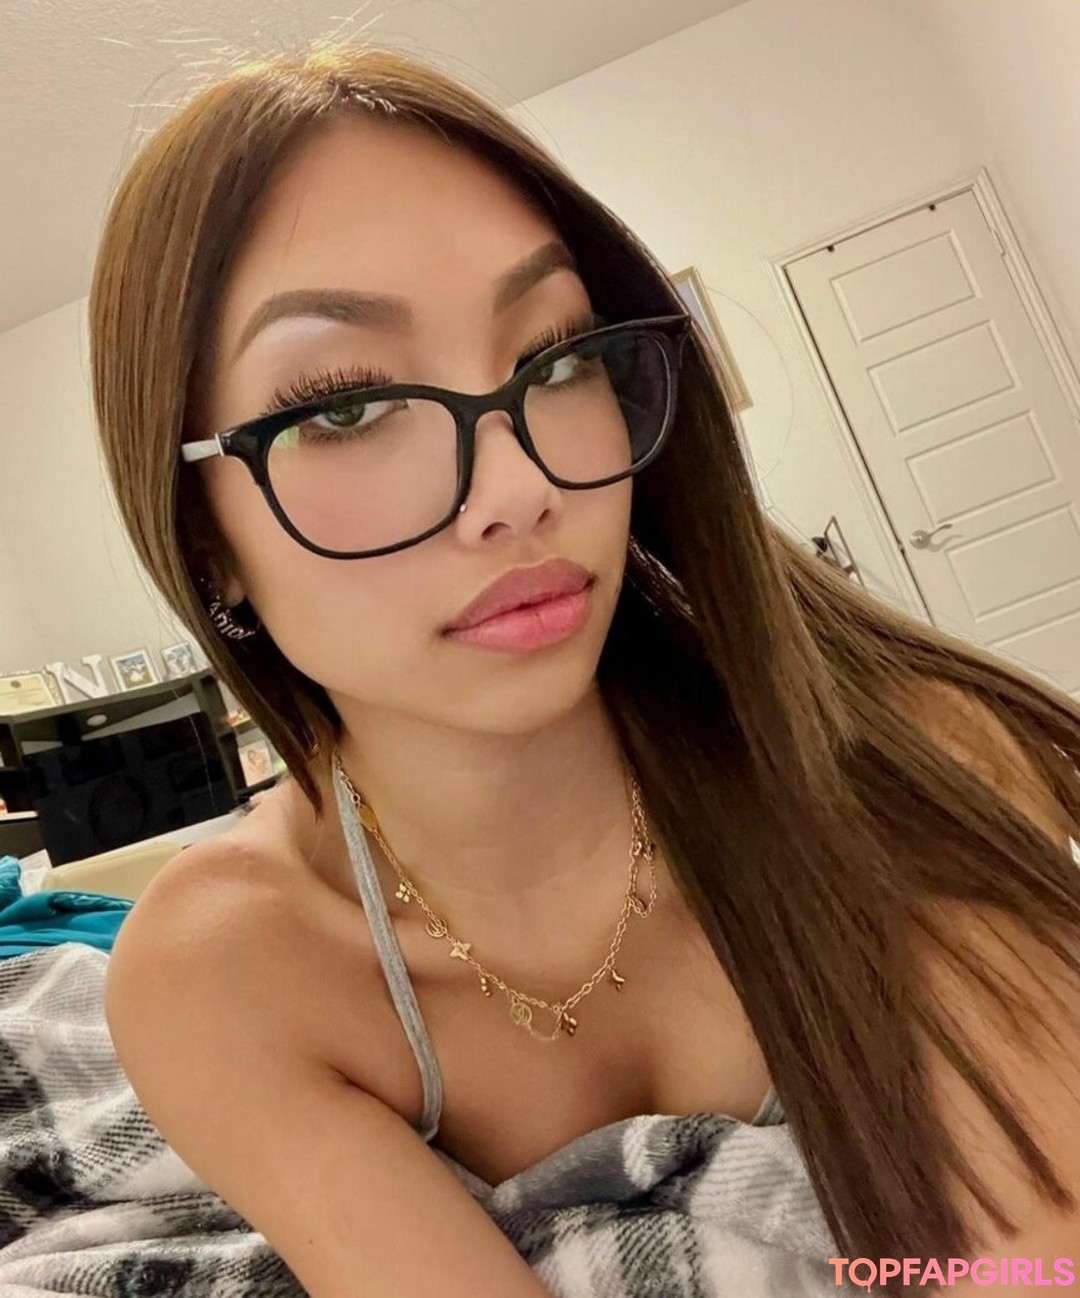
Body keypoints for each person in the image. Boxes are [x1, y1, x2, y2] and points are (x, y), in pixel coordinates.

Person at [89, 43, 1080, 1298]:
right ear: (203, 540)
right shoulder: (227, 970)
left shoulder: (899, 764)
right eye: (343, 407)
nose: (520, 487)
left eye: (556, 357)